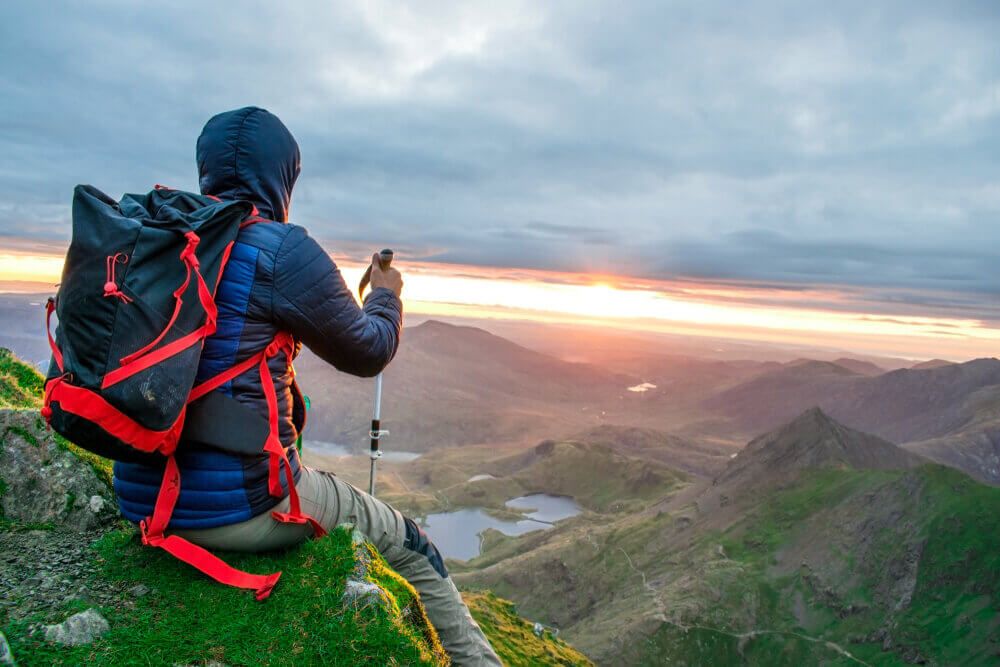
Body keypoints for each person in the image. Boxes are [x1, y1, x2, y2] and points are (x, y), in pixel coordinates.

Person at [112, 106, 501, 666]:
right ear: (282, 176)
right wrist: (386, 292)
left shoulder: (153, 242)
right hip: (239, 512)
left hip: (140, 499)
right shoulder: (279, 248)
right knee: (414, 547)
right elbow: (369, 350)